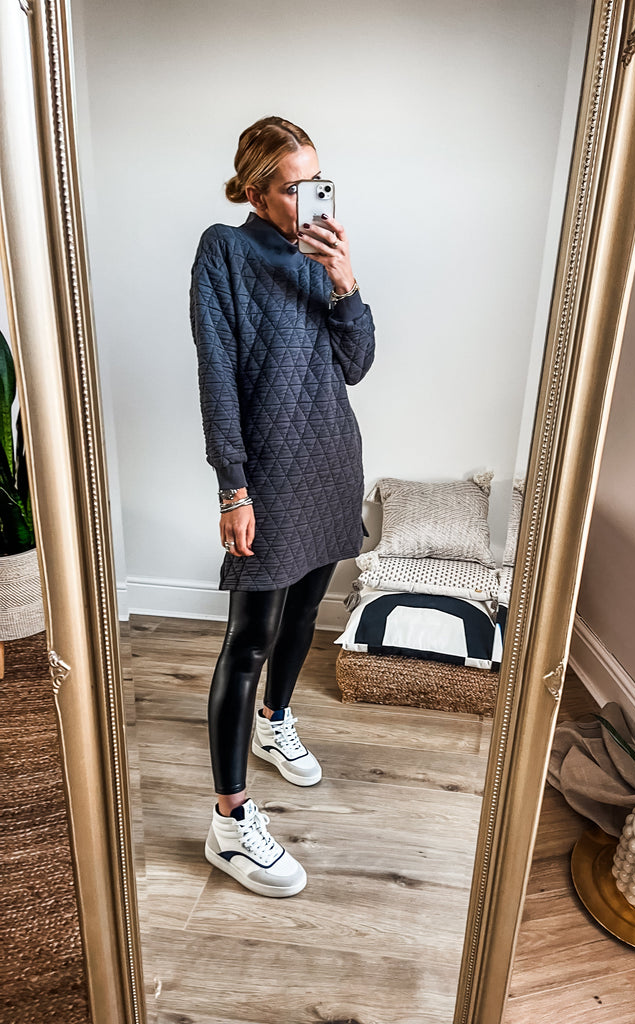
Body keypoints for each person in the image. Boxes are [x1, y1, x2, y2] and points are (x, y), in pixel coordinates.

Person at [190, 116, 375, 898]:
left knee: (304, 616)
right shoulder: (223, 252)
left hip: (331, 462)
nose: (311, 199)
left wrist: (345, 283)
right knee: (249, 639)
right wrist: (233, 487)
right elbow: (218, 376)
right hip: (267, 476)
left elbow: (356, 365)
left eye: (317, 182)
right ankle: (230, 821)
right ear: (255, 190)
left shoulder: (319, 255)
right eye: (295, 187)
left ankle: (275, 722)